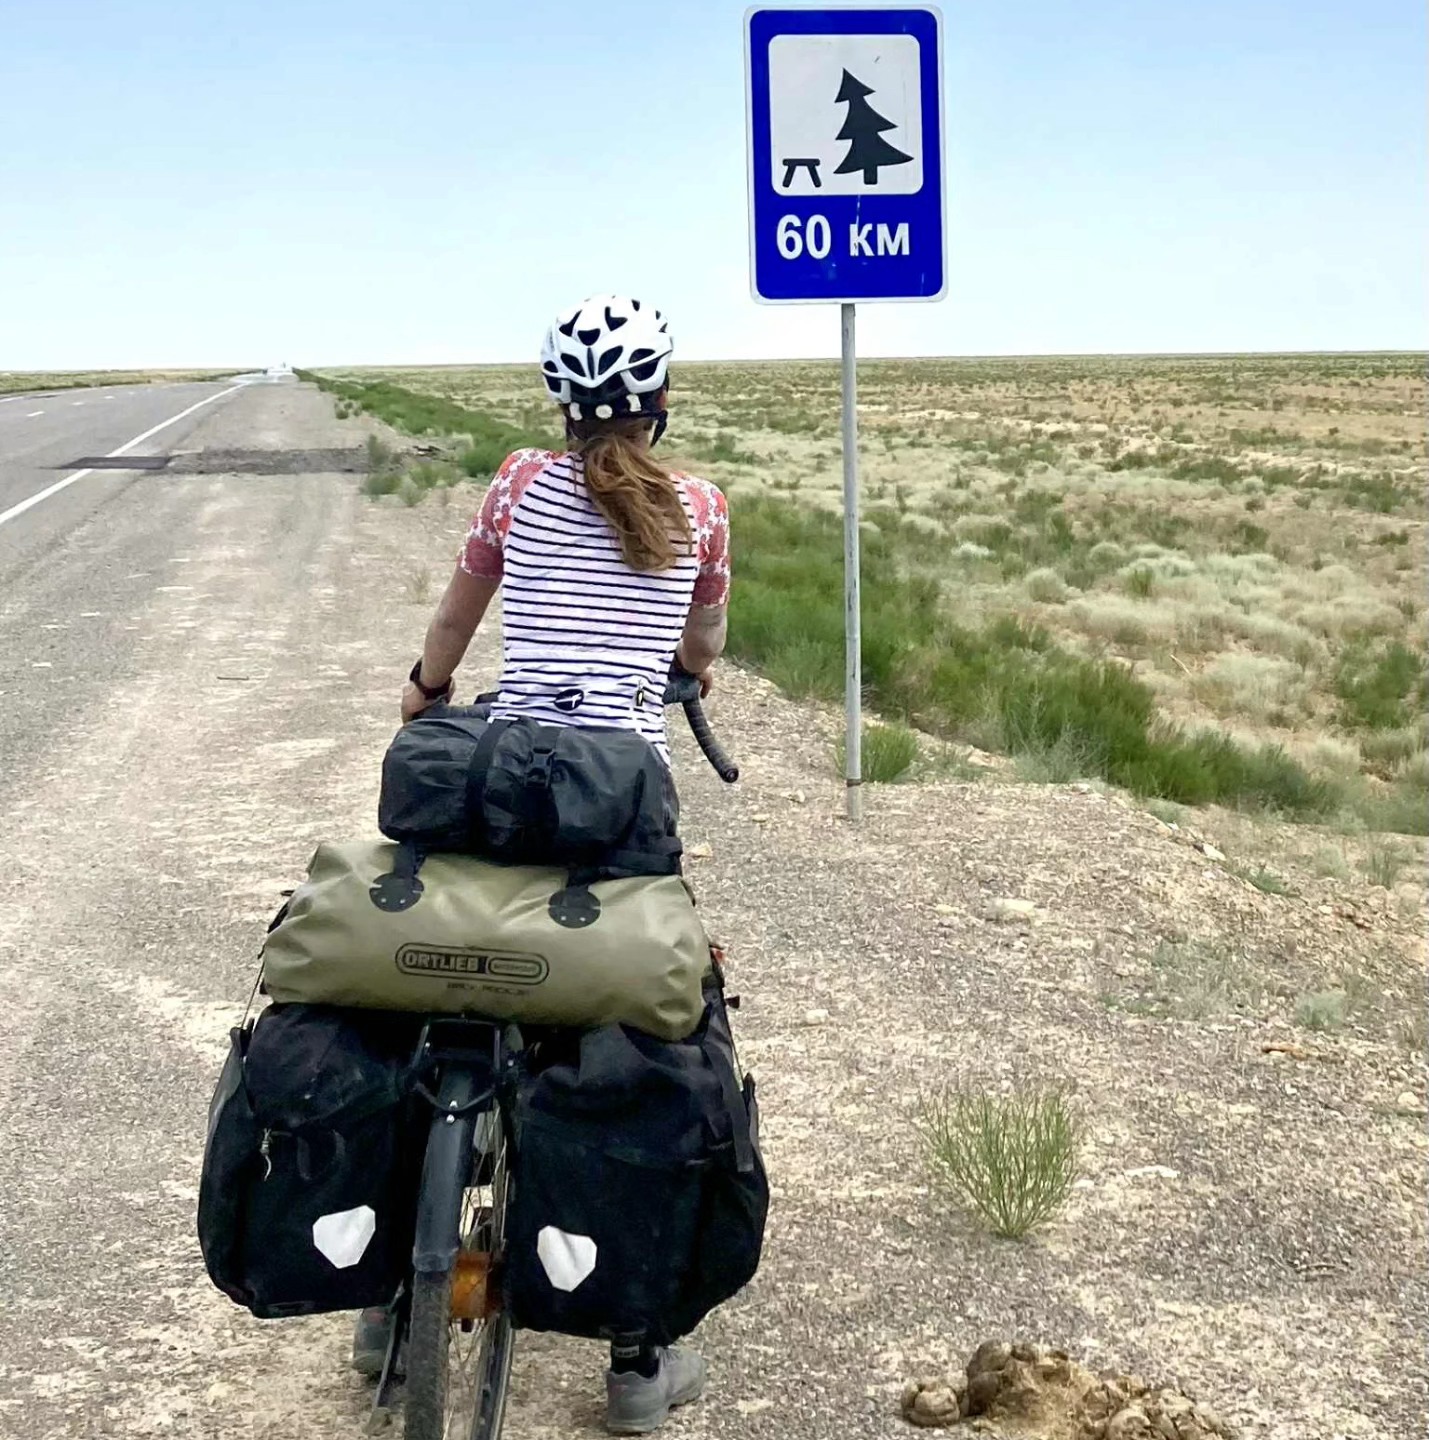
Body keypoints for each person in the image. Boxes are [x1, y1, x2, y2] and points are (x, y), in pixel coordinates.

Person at [354, 294, 730, 1435]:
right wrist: (685, 673)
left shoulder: (518, 483)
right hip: (618, 799)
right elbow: (700, 647)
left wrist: (424, 695)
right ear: (661, 404)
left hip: (496, 780)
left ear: (561, 408)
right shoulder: (703, 511)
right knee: (646, 1023)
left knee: (439, 975)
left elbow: (460, 619)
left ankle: (382, 1301)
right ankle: (635, 1359)